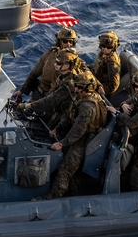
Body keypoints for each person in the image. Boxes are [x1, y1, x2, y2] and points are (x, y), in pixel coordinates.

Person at [34, 71, 109, 199]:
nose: (76, 89)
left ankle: (53, 197)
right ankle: (73, 194)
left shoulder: (87, 106)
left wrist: (61, 143)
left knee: (65, 170)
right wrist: (57, 129)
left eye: (80, 87)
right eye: (76, 86)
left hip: (83, 141)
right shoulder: (81, 97)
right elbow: (69, 116)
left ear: (87, 88)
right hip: (76, 136)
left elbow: (78, 130)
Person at [17, 48, 86, 131]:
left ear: (67, 65)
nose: (55, 65)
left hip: (64, 118)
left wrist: (28, 105)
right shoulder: (62, 76)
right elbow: (50, 94)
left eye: (59, 63)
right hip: (56, 112)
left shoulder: (69, 83)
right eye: (55, 62)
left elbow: (50, 101)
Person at [18, 27, 78, 101]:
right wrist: (22, 91)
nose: (68, 44)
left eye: (70, 42)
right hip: (39, 93)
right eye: (65, 41)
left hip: (54, 99)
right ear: (59, 41)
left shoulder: (74, 61)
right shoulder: (49, 54)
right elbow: (34, 73)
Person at [90, 31, 121, 97]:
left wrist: (99, 88)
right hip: (95, 81)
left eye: (109, 47)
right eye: (103, 46)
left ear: (113, 48)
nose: (105, 49)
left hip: (101, 89)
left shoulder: (112, 62)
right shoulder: (102, 55)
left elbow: (113, 85)